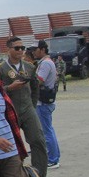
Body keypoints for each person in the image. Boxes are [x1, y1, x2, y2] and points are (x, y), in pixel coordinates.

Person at [0, 36, 48, 177]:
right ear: (8, 50)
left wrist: (32, 105)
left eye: (22, 48)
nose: (21, 50)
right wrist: (9, 88)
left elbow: (35, 87)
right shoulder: (0, 69)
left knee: (38, 140)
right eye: (17, 48)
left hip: (27, 109)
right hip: (9, 111)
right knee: (13, 146)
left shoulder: (30, 67)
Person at [34, 40, 61, 169]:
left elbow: (39, 81)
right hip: (47, 101)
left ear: (42, 49)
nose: (34, 52)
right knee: (49, 130)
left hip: (42, 102)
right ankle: (55, 156)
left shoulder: (45, 64)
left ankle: (53, 159)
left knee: (46, 131)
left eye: (36, 49)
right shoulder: (49, 62)